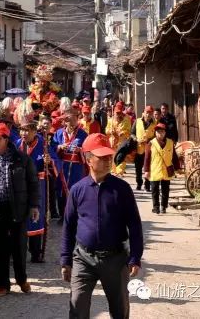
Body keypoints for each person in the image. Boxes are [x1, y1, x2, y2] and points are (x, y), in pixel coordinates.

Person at [61, 133, 143, 319]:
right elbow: (68, 227)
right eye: (102, 157)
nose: (108, 161)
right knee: (77, 306)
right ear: (88, 159)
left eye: (109, 156)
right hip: (83, 258)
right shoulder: (77, 190)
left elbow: (135, 226)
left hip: (115, 259)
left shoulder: (122, 189)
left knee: (119, 310)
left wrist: (135, 257)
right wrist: (65, 260)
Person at [0, 123, 40, 297]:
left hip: (17, 209)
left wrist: (34, 205)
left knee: (19, 248)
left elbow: (33, 183)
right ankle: (3, 284)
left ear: (6, 139)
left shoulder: (21, 158)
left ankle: (22, 280)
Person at [18, 116, 50, 263]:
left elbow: (55, 160)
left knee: (36, 216)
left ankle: (36, 253)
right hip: (21, 186)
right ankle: (18, 252)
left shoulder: (43, 144)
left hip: (38, 184)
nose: (24, 134)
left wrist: (49, 162)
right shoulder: (17, 145)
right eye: (22, 130)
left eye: (27, 130)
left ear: (34, 131)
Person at [54, 108, 88, 218]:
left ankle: (74, 215)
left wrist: (80, 150)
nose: (71, 123)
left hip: (76, 167)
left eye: (73, 119)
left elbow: (87, 150)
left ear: (77, 119)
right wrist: (59, 147)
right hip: (62, 165)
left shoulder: (83, 134)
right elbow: (52, 147)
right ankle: (62, 216)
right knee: (61, 190)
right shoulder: (59, 133)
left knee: (75, 190)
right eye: (68, 120)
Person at [144, 123, 181, 214]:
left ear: (165, 133)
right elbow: (147, 158)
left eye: (162, 132)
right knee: (154, 190)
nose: (160, 134)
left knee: (165, 190)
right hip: (154, 170)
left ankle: (164, 206)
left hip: (166, 170)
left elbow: (174, 156)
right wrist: (146, 171)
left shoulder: (170, 142)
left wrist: (177, 167)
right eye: (158, 132)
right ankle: (156, 207)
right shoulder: (151, 143)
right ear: (155, 133)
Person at [132, 106, 157, 192]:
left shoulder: (155, 123)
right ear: (143, 113)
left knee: (149, 168)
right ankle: (139, 184)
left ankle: (147, 185)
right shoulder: (137, 121)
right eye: (147, 112)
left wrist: (149, 140)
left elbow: (156, 136)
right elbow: (132, 133)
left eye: (150, 113)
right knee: (138, 168)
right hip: (139, 148)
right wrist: (136, 139)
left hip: (149, 149)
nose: (148, 114)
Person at [106, 102, 132, 176]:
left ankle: (120, 171)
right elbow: (106, 130)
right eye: (116, 113)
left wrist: (123, 132)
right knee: (113, 156)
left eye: (119, 113)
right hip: (113, 141)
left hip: (122, 142)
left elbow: (129, 130)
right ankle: (114, 170)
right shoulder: (110, 120)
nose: (118, 115)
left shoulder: (127, 120)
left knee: (121, 156)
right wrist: (109, 131)